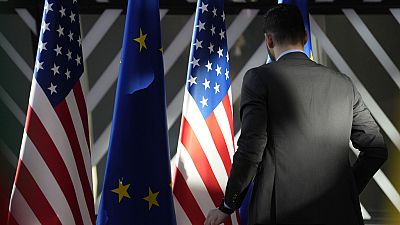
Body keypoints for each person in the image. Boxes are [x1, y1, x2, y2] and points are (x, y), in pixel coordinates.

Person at [205, 4, 388, 225]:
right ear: (304, 36)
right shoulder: (343, 84)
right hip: (340, 215)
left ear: (269, 41)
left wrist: (228, 205)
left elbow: (251, 150)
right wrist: (344, 191)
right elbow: (376, 150)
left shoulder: (259, 79)